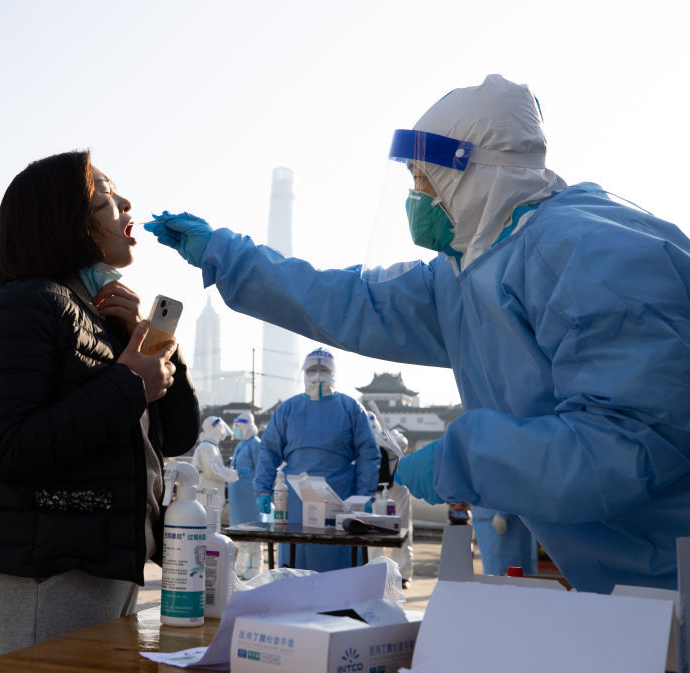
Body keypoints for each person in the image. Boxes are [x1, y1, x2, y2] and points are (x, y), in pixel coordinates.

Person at [145, 74, 690, 593]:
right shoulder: (468, 273)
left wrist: (465, 459)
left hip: (672, 568)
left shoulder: (596, 255)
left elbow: (631, 444)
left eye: (424, 179)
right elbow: (348, 299)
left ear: (475, 174)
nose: (417, 196)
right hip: (628, 581)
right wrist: (228, 255)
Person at [0, 150, 200, 658]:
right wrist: (129, 384)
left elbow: (178, 436)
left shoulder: (99, 319)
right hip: (47, 574)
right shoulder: (25, 305)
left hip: (106, 564)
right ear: (66, 221)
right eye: (106, 198)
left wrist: (148, 340)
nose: (126, 203)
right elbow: (7, 448)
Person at [253, 348, 381, 572]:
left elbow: (368, 454)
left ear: (334, 374)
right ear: (303, 373)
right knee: (296, 563)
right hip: (295, 499)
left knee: (339, 565)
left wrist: (365, 494)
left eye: (324, 370)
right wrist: (263, 489)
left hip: (340, 497)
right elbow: (269, 450)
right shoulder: (287, 409)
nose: (318, 375)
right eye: (312, 369)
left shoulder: (351, 408)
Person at [364, 413, 413, 587]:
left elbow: (402, 444)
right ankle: (375, 572)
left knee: (402, 528)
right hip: (374, 490)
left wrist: (383, 438)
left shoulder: (391, 435)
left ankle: (403, 574)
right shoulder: (361, 440)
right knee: (373, 531)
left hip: (396, 487)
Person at [228, 411, 262, 579]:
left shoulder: (256, 444)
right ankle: (241, 567)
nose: (236, 429)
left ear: (247, 426)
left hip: (250, 497)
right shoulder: (241, 444)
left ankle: (255, 568)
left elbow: (261, 470)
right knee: (241, 534)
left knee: (253, 534)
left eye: (239, 426)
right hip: (239, 497)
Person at [472, 507, 537, 576]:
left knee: (514, 571)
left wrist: (503, 513)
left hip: (509, 519)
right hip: (484, 516)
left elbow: (518, 500)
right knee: (491, 568)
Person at [192, 416, 237, 514]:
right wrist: (233, 474)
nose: (222, 430)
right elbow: (212, 472)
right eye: (220, 427)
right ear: (213, 429)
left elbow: (216, 468)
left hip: (211, 495)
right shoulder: (207, 447)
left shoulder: (211, 446)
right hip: (208, 496)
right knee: (209, 521)